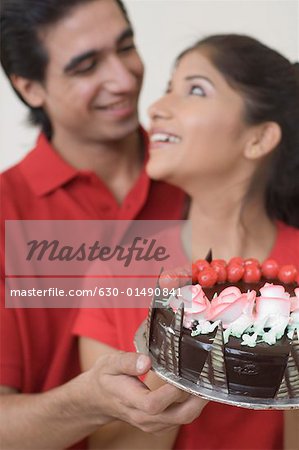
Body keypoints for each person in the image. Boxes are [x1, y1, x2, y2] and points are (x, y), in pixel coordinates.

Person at [74, 34, 299, 449]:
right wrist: (178, 345)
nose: (155, 109)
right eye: (166, 89)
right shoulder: (117, 267)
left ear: (259, 138)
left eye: (195, 89)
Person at [0, 0, 208, 448]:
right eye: (86, 66)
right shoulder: (6, 212)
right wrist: (90, 401)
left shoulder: (208, 169)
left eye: (126, 47)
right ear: (29, 87)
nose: (123, 77)